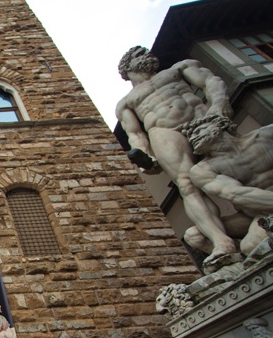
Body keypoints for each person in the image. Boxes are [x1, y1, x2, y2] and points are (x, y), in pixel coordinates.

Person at [115, 46, 237, 265]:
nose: (146, 54)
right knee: (186, 185)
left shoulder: (178, 69)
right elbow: (135, 134)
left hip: (202, 119)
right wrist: (145, 158)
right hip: (164, 132)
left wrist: (219, 104)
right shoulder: (127, 102)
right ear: (126, 68)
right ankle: (221, 242)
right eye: (137, 54)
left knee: (237, 165)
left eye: (145, 52)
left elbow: (212, 82)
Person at [178, 115, 273, 256]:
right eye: (190, 135)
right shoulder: (203, 169)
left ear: (220, 126)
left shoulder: (266, 136)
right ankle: (234, 260)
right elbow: (235, 194)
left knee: (251, 247)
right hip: (258, 212)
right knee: (195, 235)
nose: (192, 137)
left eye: (199, 131)